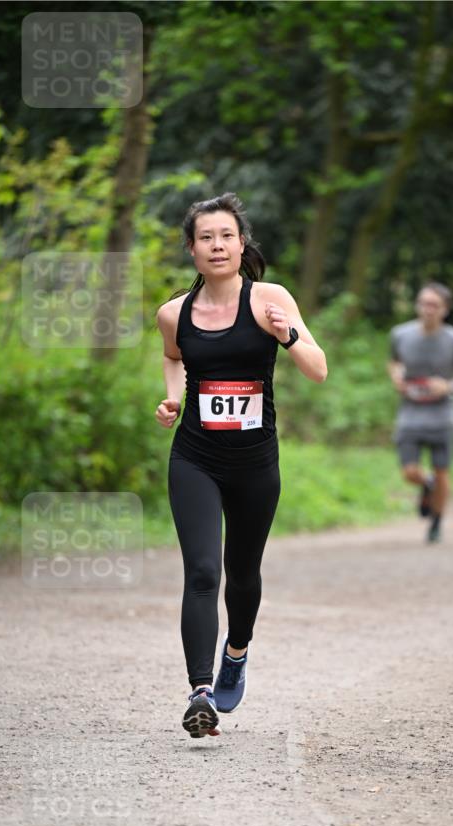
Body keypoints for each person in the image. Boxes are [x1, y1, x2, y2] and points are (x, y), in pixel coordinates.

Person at [155, 193, 327, 737]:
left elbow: (318, 370)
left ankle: (237, 651)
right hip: (195, 458)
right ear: (192, 249)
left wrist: (288, 335)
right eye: (205, 238)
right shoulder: (173, 313)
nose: (217, 246)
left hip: (255, 462)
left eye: (226, 236)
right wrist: (174, 397)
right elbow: (173, 355)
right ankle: (200, 692)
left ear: (241, 242)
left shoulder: (269, 299)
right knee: (203, 571)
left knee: (243, 574)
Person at [387, 282, 453, 543]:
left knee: (443, 472)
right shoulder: (400, 334)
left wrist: (447, 386)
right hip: (410, 412)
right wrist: (397, 376)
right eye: (423, 303)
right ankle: (426, 484)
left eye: (434, 305)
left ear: (445, 310)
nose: (427, 309)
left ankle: (436, 522)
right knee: (408, 471)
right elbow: (393, 362)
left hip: (442, 414)